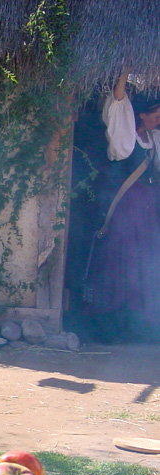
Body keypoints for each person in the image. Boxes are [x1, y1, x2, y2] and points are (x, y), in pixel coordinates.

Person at [84, 68, 160, 342]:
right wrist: (123, 73)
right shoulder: (126, 139)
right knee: (120, 260)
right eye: (156, 114)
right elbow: (118, 102)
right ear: (141, 114)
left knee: (144, 262)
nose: (159, 120)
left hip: (146, 212)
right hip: (128, 208)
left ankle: (140, 325)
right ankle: (113, 324)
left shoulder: (154, 140)